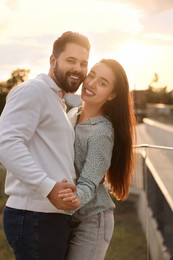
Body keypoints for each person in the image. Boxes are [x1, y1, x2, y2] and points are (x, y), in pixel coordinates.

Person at [0, 31, 90, 260]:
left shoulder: (57, 101)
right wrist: (48, 187)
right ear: (53, 61)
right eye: (71, 60)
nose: (78, 68)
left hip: (48, 217)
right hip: (34, 216)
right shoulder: (34, 90)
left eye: (83, 63)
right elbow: (6, 142)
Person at [58, 59, 136, 260]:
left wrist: (70, 200)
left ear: (112, 95)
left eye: (102, 83)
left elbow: (89, 184)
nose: (91, 83)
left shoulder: (101, 132)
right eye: (91, 75)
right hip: (66, 217)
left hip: (92, 221)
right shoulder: (72, 114)